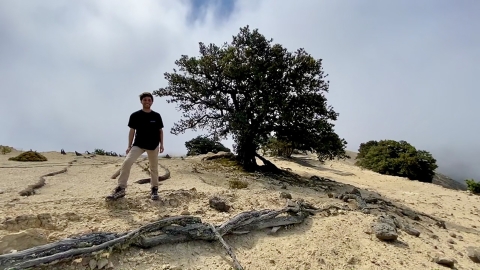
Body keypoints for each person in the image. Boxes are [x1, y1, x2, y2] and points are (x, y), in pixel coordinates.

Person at [106, 92, 165, 201]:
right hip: (138, 144)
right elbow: (132, 131)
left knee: (154, 168)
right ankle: (121, 188)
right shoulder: (135, 115)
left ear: (152, 102)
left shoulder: (156, 116)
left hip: (153, 145)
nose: (147, 101)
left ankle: (154, 189)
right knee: (126, 163)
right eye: (145, 100)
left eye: (149, 100)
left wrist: (162, 144)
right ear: (141, 101)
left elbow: (160, 131)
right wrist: (129, 146)